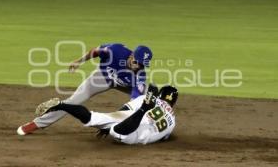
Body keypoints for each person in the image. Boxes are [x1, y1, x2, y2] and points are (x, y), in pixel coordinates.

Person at [17, 43, 153, 135]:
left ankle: (151, 128)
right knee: (72, 102)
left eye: (141, 65)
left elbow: (135, 100)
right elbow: (95, 52)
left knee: (148, 98)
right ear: (131, 55)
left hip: (125, 85)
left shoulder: (139, 75)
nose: (137, 66)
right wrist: (79, 61)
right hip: (102, 78)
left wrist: (132, 115)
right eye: (136, 62)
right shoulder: (115, 51)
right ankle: (37, 124)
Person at [20, 84, 178, 145]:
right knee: (118, 132)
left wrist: (106, 122)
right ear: (173, 102)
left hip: (127, 117)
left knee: (92, 117)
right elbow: (163, 137)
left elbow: (125, 110)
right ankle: (144, 110)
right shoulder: (173, 120)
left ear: (160, 96)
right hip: (138, 132)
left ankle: (62, 105)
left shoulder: (147, 97)